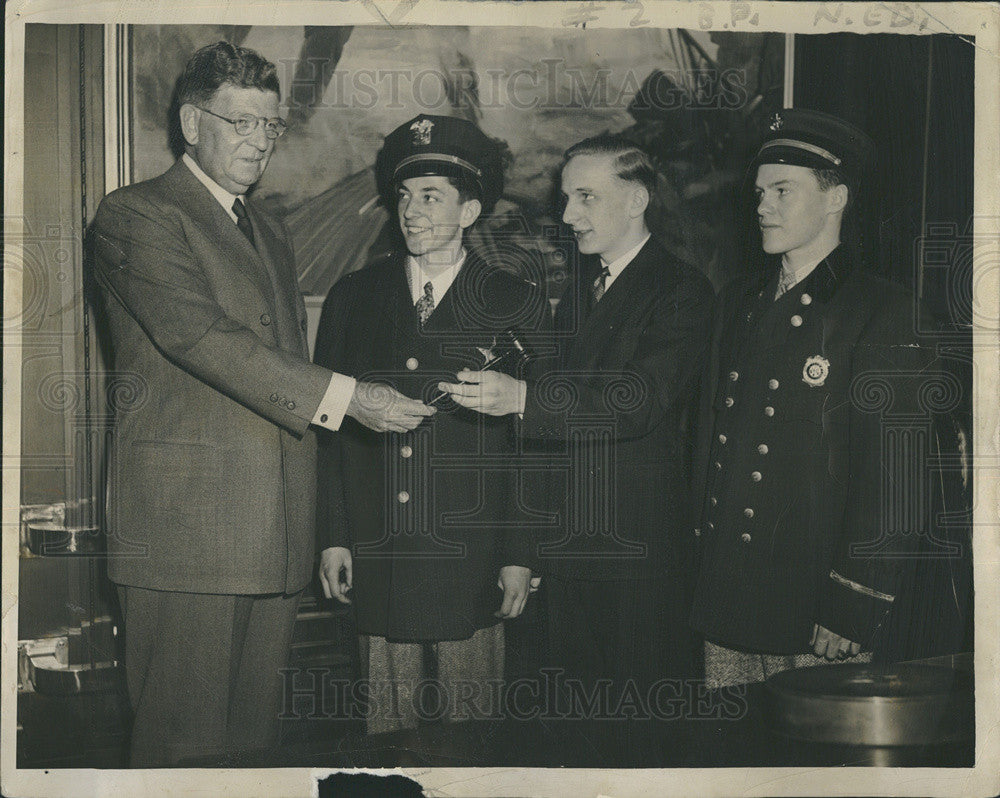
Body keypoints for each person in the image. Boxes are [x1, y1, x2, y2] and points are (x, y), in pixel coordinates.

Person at [92, 42, 433, 766]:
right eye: (240, 122)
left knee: (251, 757)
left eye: (270, 127)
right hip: (186, 539)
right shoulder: (137, 215)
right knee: (181, 757)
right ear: (191, 122)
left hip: (273, 536)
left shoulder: (269, 232)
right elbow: (198, 336)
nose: (258, 142)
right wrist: (348, 397)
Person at [441, 135, 713, 748]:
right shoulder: (584, 293)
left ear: (638, 198)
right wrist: (528, 550)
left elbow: (636, 401)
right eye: (566, 199)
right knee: (568, 743)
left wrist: (523, 398)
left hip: (636, 572)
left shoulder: (681, 290)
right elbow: (551, 445)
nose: (567, 216)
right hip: (569, 567)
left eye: (585, 198)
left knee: (642, 745)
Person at [689, 108, 967, 687]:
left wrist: (854, 601)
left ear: (835, 197)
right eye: (760, 191)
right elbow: (708, 447)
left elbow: (893, 480)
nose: (762, 206)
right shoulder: (737, 301)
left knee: (811, 766)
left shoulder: (884, 312)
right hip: (728, 589)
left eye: (782, 191)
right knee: (731, 760)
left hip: (814, 604)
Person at [314, 114, 549, 734]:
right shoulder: (354, 298)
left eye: (431, 197)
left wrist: (519, 553)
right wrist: (334, 536)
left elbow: (535, 444)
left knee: (473, 738)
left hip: (471, 557)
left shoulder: (514, 301)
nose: (411, 212)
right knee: (386, 737)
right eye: (404, 196)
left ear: (470, 211)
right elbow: (329, 434)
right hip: (380, 550)